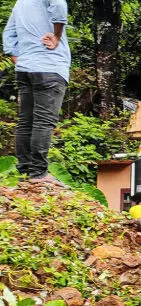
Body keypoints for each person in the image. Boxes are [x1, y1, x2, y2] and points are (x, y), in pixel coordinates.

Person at [2, 0, 71, 185]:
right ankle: (38, 174)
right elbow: (58, 5)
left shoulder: (20, 3)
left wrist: (24, 61)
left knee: (26, 122)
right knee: (43, 121)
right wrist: (57, 35)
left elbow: (8, 37)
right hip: (51, 68)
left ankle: (25, 171)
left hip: (25, 70)